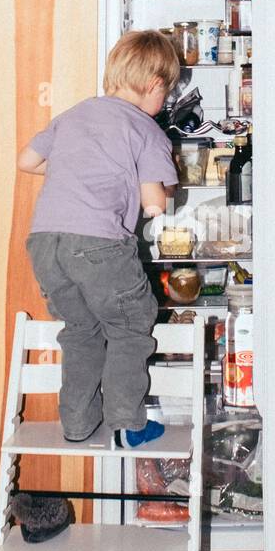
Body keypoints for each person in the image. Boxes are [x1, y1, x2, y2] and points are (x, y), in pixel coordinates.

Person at [19, 29, 180, 447]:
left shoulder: (74, 114)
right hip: (98, 244)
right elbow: (154, 206)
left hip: (45, 242)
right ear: (155, 86)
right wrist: (164, 188)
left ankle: (77, 423)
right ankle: (127, 423)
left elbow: (28, 161)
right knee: (130, 325)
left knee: (80, 329)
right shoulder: (146, 131)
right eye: (168, 90)